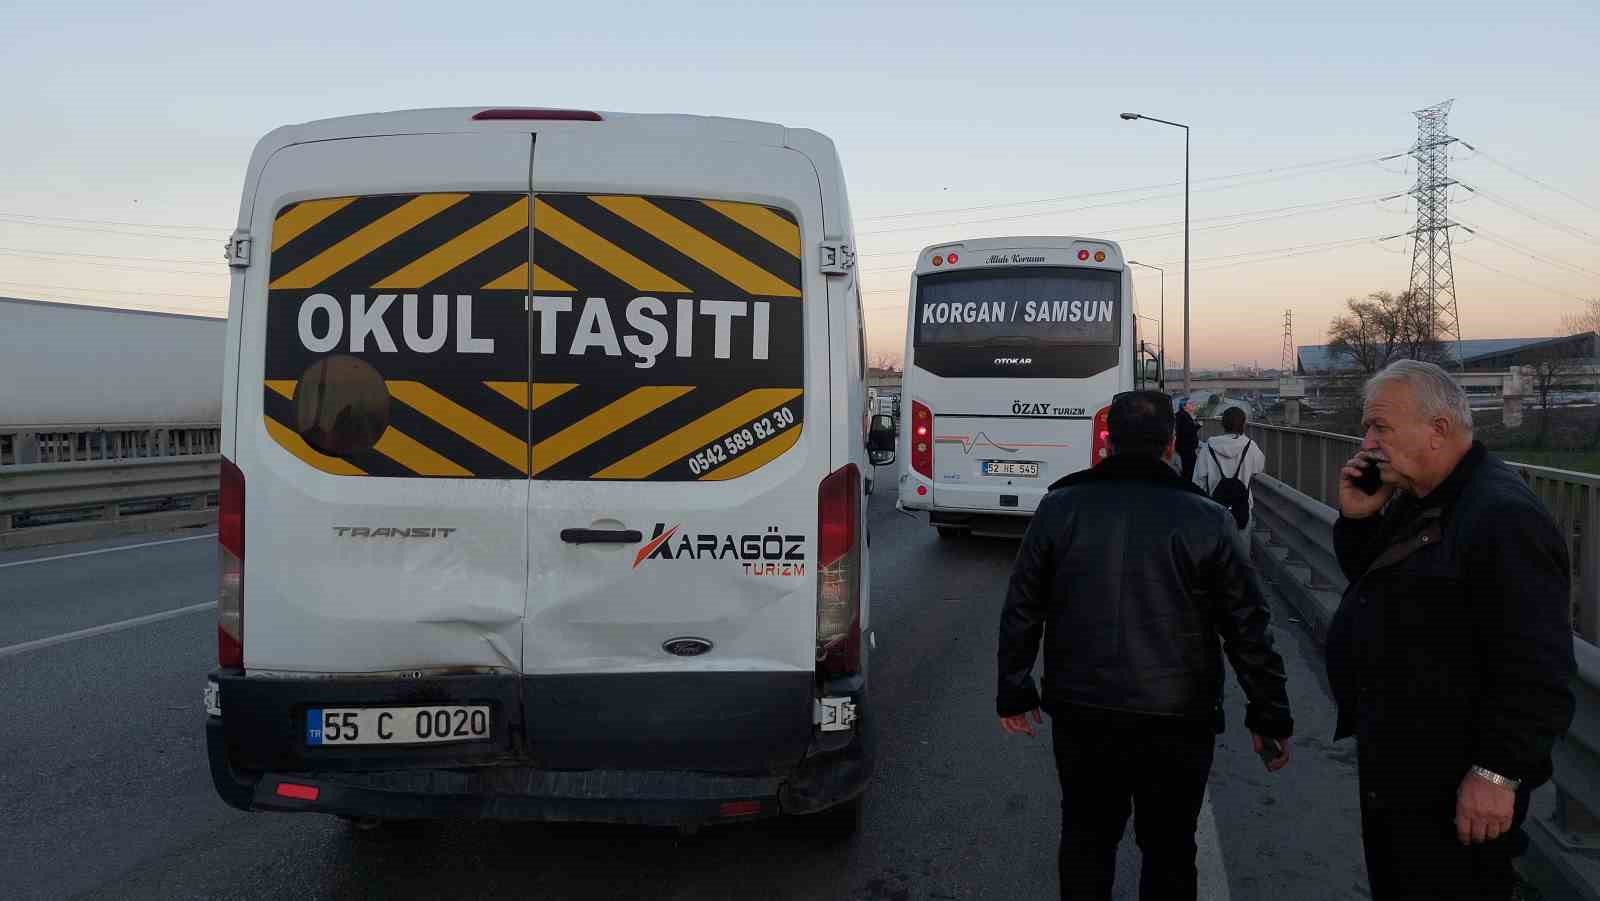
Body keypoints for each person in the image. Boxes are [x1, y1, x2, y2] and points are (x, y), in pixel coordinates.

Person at [997, 390, 1293, 901]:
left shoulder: (1060, 506)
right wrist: (1269, 715)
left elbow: (1023, 606)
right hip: (1178, 717)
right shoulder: (1206, 518)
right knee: (1171, 849)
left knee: (1087, 842)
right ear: (1171, 443)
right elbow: (1247, 624)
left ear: (1108, 440)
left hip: (1083, 712)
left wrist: (1014, 691)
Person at [1327, 359, 1576, 901]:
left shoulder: (1500, 515)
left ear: (1438, 429)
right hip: (1402, 768)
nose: (1366, 441)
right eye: (1367, 427)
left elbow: (1538, 666)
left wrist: (1497, 773)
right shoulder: (1418, 499)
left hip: (1454, 780)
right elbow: (1375, 590)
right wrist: (1359, 520)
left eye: (1380, 428)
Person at [1193, 406, 1267, 528]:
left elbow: (1197, 480)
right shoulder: (1250, 446)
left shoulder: (1209, 447)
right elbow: (1259, 467)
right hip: (1241, 510)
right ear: (1244, 424)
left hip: (1214, 509)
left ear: (1223, 424)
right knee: (1241, 544)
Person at [1175, 397, 1201, 482]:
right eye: (1190, 404)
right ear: (1184, 406)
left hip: (1187, 448)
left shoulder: (1184, 415)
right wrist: (1196, 426)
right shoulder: (1182, 416)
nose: (1193, 405)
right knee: (1189, 470)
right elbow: (1185, 431)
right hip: (1186, 448)